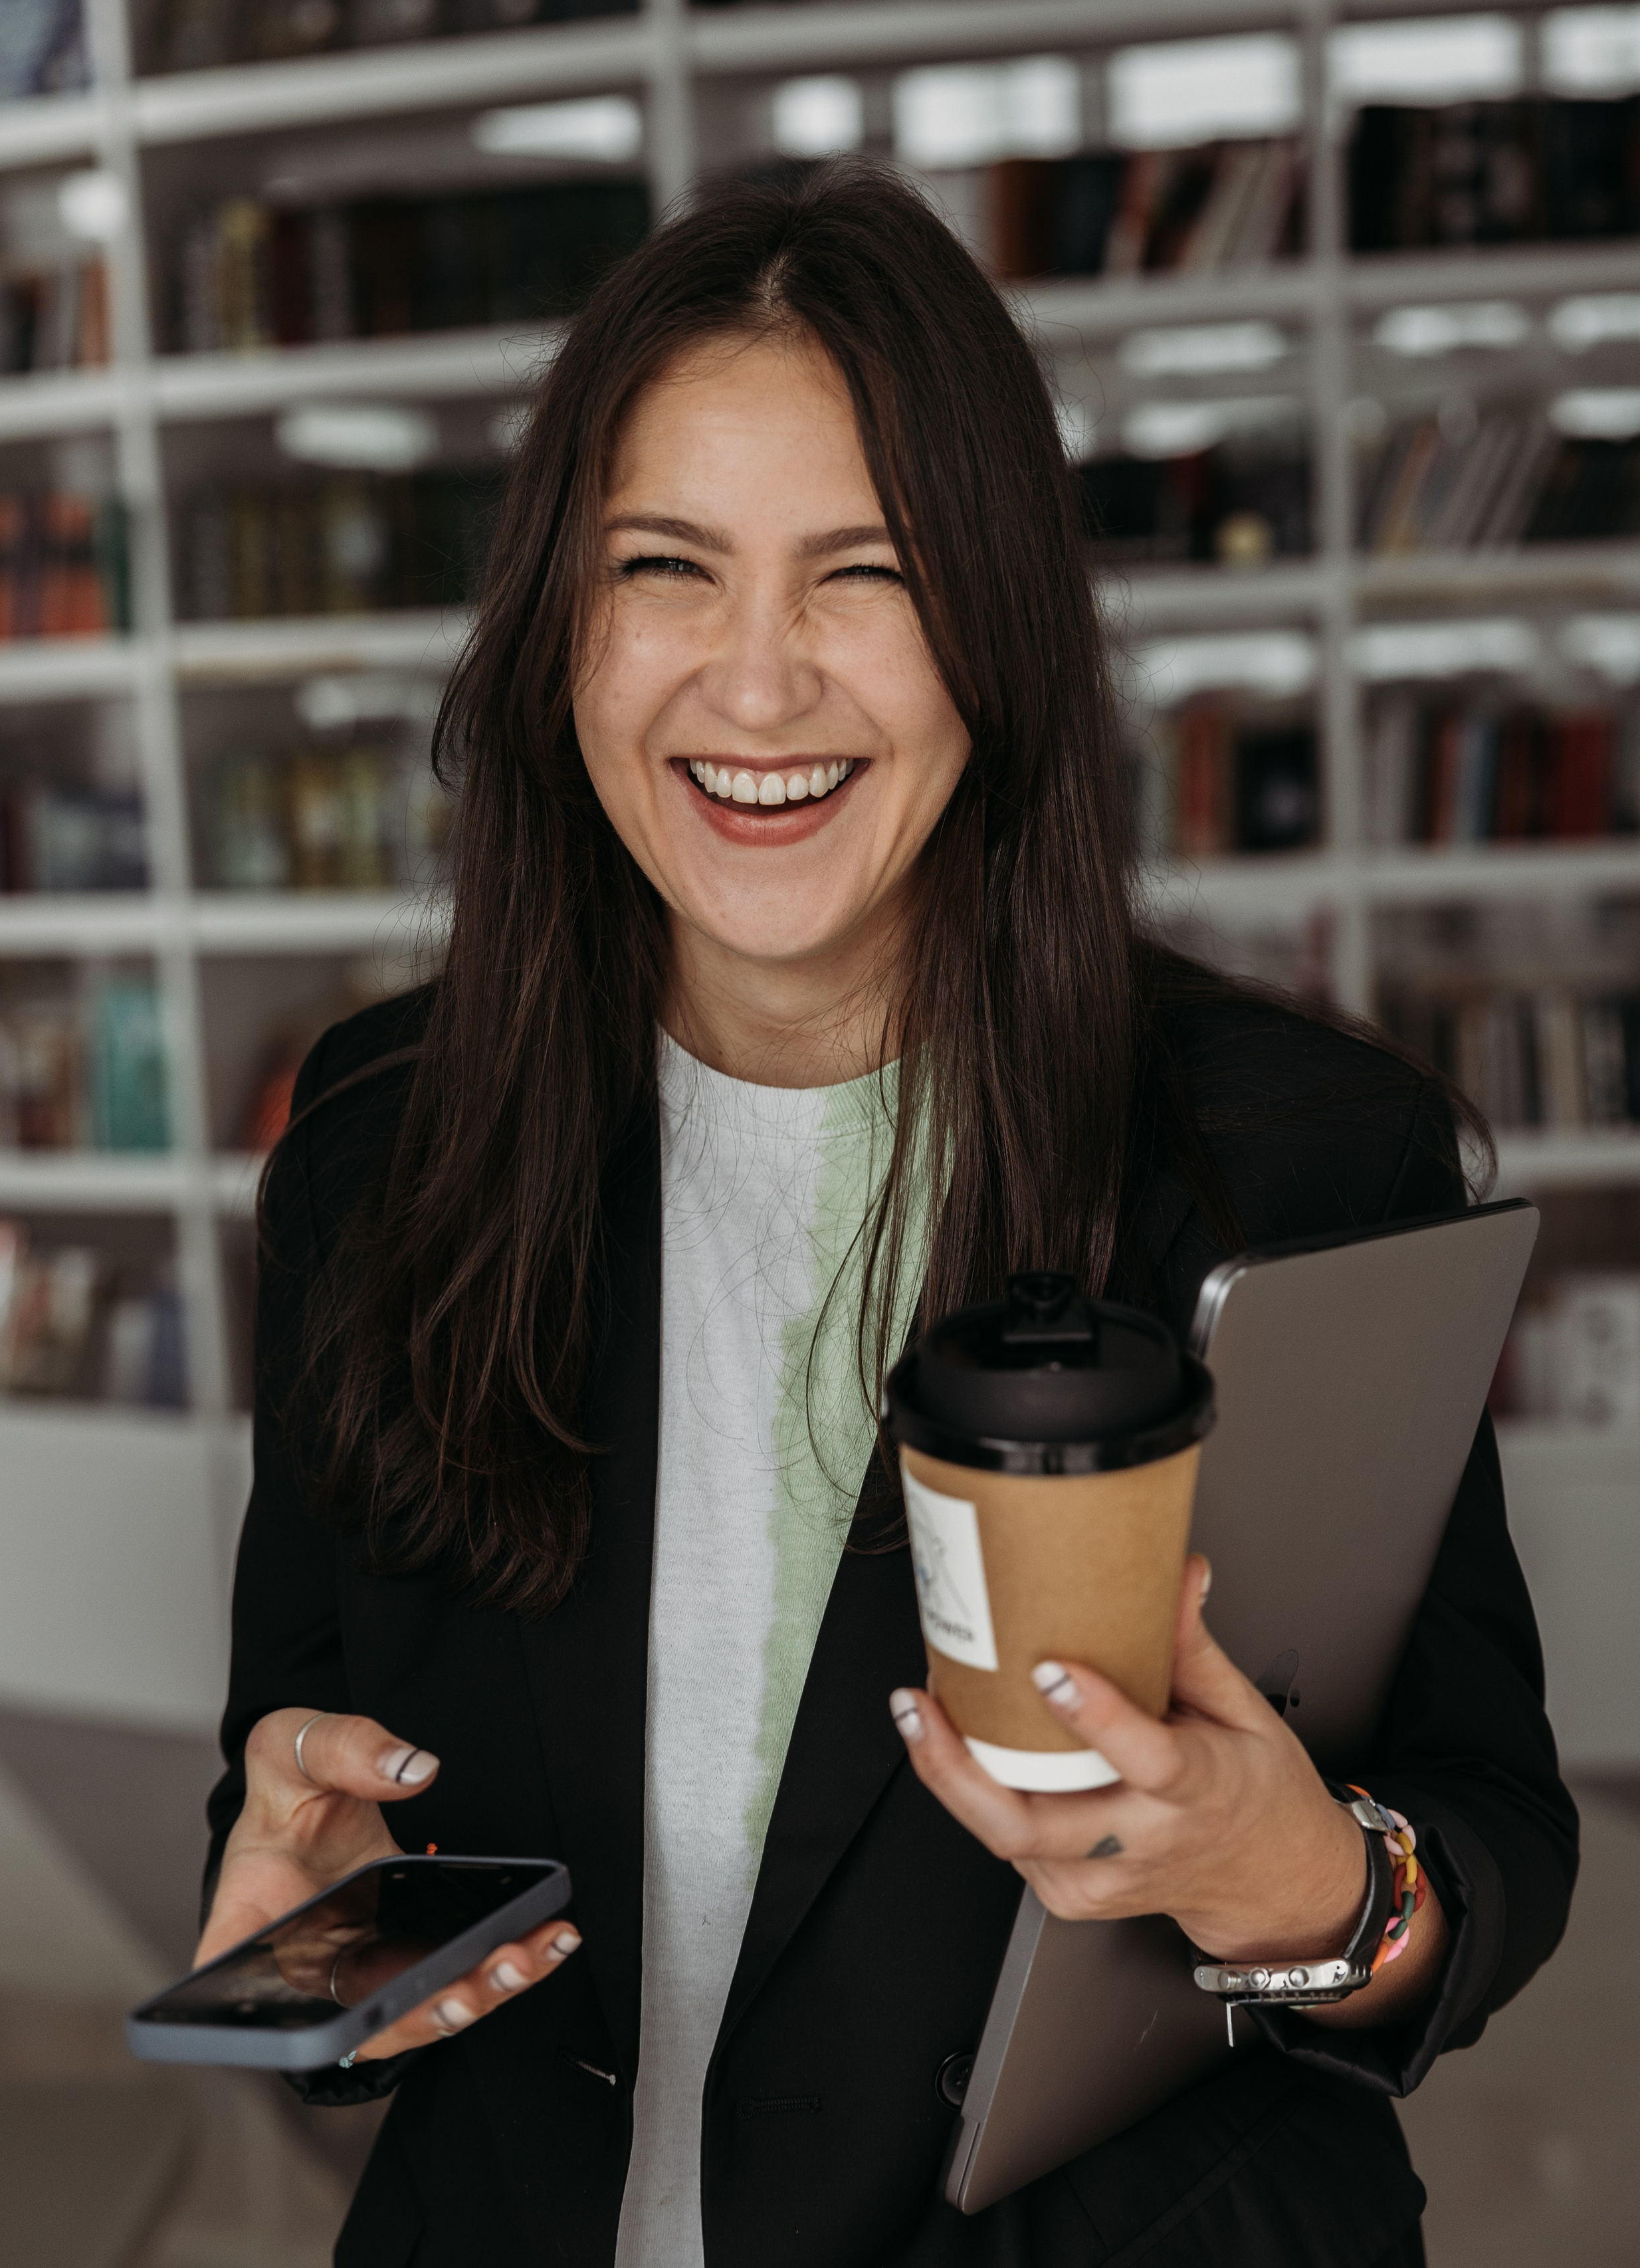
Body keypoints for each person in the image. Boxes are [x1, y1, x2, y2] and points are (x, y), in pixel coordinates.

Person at [200, 161, 1577, 2267]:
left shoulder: (1300, 1162)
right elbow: (297, 1782)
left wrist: (1300, 1882)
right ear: (563, 623)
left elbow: (1484, 1844)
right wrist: (301, 1924)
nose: (757, 690)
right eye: (668, 567)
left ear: (996, 631)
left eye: (864, 574)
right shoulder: (378, 1152)